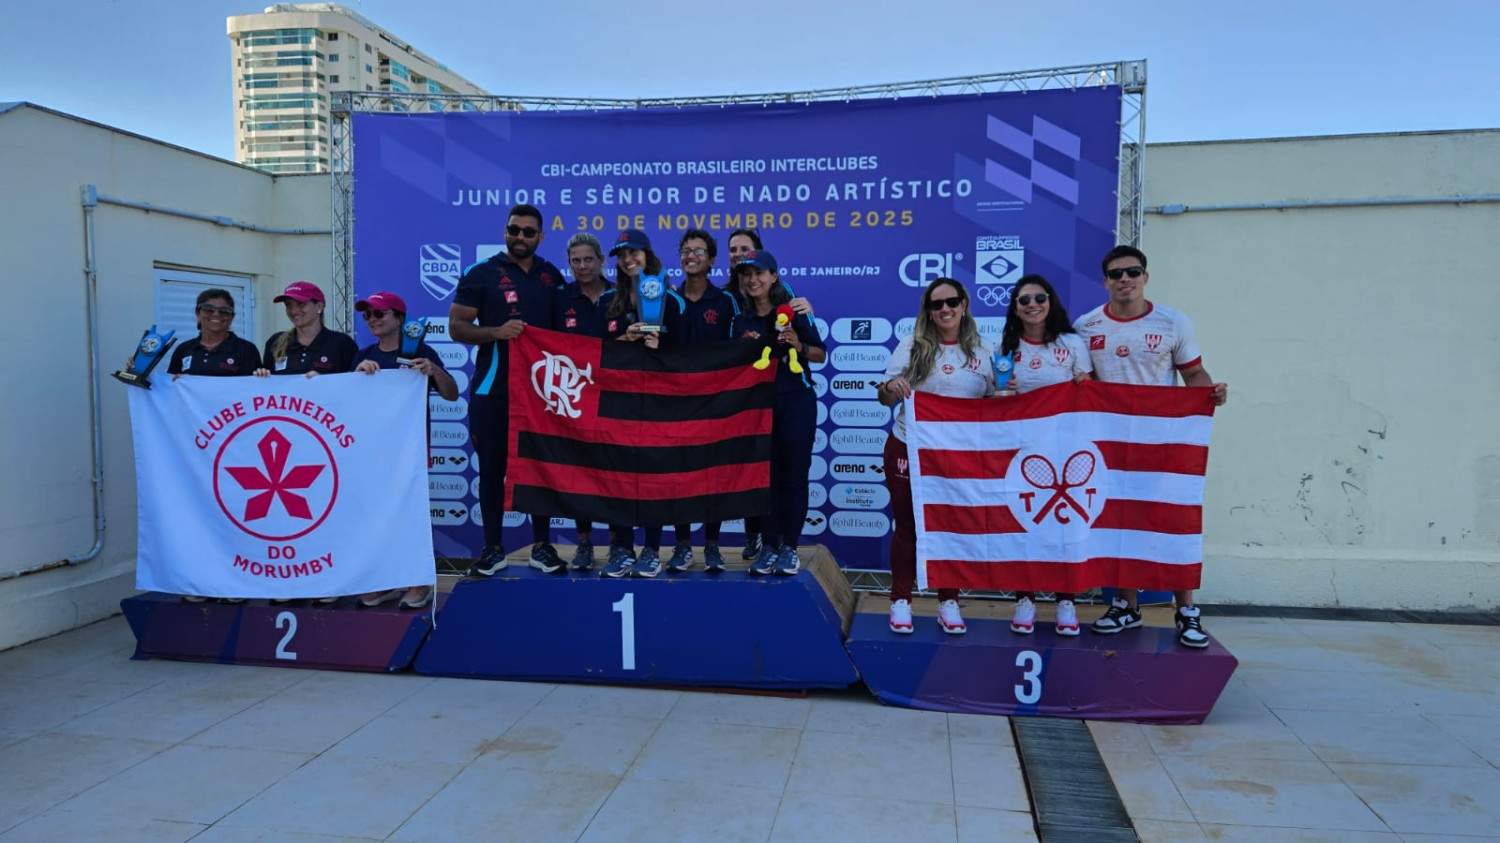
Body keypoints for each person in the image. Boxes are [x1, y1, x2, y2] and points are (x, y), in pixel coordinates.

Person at [1073, 245, 1228, 649]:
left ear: (1145, 277)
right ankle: (1127, 605)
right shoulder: (1086, 326)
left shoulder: (1173, 322)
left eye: (1133, 271)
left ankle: (1186, 611)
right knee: (1117, 521)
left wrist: (1208, 395)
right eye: (1116, 273)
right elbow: (1083, 389)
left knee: (1169, 522)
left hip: (1163, 443)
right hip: (1110, 443)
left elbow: (1194, 373)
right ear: (1105, 281)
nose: (1124, 279)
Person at [448, 204, 565, 578]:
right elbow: (456, 328)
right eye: (515, 230)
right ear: (505, 231)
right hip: (493, 388)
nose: (520, 237)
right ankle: (493, 548)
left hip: (540, 391)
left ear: (540, 238)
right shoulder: (481, 273)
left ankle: (542, 547)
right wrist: (496, 332)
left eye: (529, 232)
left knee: (538, 469)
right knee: (492, 470)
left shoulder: (552, 276)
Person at [877, 278, 995, 634]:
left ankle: (949, 601)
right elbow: (885, 397)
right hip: (908, 446)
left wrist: (1009, 396)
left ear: (964, 305)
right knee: (907, 527)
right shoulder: (912, 345)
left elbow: (993, 405)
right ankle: (901, 599)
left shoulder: (983, 351)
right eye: (936, 304)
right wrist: (891, 389)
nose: (945, 309)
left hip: (957, 455)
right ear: (927, 310)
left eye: (952, 302)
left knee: (951, 526)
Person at [996, 274, 1093, 636]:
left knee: (1066, 527)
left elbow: (1090, 393)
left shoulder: (1072, 343)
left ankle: (1066, 600)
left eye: (1040, 297)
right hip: (1023, 451)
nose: (1033, 304)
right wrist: (1005, 392)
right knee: (1027, 524)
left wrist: (1084, 388)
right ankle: (1026, 598)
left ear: (1050, 302)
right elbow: (997, 402)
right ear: (1016, 309)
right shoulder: (1005, 346)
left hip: (1067, 450)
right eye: (1025, 300)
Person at [352, 292, 459, 609]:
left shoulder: (420, 351)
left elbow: (452, 394)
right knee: (376, 514)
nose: (373, 319)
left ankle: (419, 581)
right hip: (372, 450)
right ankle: (385, 581)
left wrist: (433, 370)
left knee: (411, 513)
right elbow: (346, 404)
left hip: (411, 449)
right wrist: (356, 378)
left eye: (379, 313)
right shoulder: (362, 355)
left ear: (399, 318)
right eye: (368, 315)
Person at [727, 250, 826, 577]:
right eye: (746, 275)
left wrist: (798, 345)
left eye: (759, 273)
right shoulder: (739, 320)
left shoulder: (795, 311)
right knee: (764, 479)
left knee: (794, 477)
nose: (752, 280)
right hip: (758, 406)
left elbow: (820, 354)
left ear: (773, 276)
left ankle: (789, 548)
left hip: (796, 401)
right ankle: (768, 546)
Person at [597, 229, 686, 579]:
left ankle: (651, 549)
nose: (628, 259)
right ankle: (621, 549)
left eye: (634, 253)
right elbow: (596, 352)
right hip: (619, 400)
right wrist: (625, 338)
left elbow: (686, 354)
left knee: (654, 477)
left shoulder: (672, 300)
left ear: (648, 255)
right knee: (617, 477)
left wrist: (658, 349)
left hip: (659, 401)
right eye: (621, 254)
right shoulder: (609, 300)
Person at [162, 289, 262, 603]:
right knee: (198, 513)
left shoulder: (245, 350)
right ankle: (203, 580)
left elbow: (257, 400)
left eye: (225, 311)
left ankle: (237, 582)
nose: (216, 315)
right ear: (197, 313)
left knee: (235, 514)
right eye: (209, 309)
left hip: (235, 448)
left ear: (232, 317)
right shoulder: (184, 350)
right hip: (195, 450)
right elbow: (171, 396)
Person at [666, 229, 739, 574]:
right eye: (685, 250)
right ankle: (682, 547)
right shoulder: (667, 299)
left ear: (712, 260)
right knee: (679, 476)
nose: (690, 255)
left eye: (698, 251)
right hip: (676, 403)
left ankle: (712, 546)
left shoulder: (726, 302)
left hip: (715, 403)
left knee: (714, 475)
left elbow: (738, 349)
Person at [554, 233, 613, 571]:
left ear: (601, 259)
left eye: (588, 259)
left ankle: (620, 543)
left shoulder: (621, 294)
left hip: (614, 395)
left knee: (614, 469)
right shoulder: (561, 297)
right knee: (580, 472)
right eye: (575, 260)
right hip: (575, 398)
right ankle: (585, 542)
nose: (582, 266)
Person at [254, 281, 357, 379]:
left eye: (301, 304)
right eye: (288, 305)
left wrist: (325, 382)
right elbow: (266, 389)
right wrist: (261, 376)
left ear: (319, 306)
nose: (293, 311)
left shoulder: (341, 343)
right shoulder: (276, 341)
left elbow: (354, 386)